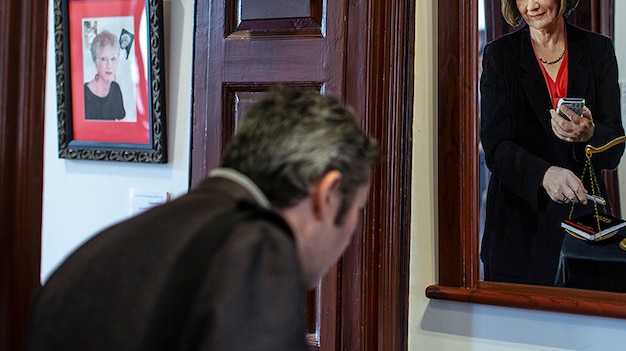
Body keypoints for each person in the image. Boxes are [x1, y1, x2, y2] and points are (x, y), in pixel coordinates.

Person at [23, 86, 379, 351]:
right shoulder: (255, 251)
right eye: (357, 210)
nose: (351, 235)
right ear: (327, 195)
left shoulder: (97, 250)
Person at [479, 0, 625, 286]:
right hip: (518, 237)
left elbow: (615, 147)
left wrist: (591, 135)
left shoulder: (598, 51)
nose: (531, 4)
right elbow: (496, 149)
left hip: (584, 231)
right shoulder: (500, 57)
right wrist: (545, 175)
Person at [83, 29, 126, 120]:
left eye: (113, 59)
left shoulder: (115, 89)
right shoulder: (84, 94)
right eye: (103, 59)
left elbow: (124, 123)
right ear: (95, 61)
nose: (109, 65)